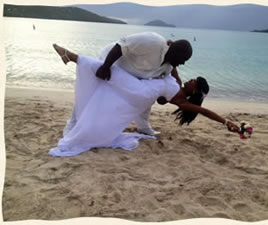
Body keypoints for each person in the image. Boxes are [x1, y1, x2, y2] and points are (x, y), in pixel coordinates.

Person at [49, 44, 239, 157]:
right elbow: (170, 61)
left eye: (194, 83)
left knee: (113, 74)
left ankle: (71, 55)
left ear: (194, 91)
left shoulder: (182, 102)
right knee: (111, 75)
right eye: (193, 79)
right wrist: (169, 45)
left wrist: (226, 122)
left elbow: (204, 112)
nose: (190, 81)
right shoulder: (177, 82)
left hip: (141, 92)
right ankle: (70, 56)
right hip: (141, 91)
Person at [63, 32, 192, 136]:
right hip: (113, 61)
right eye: (184, 59)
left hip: (132, 74)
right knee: (94, 90)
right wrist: (106, 66)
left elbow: (158, 97)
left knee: (145, 98)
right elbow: (121, 44)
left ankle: (144, 127)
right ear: (176, 52)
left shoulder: (167, 68)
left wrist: (170, 96)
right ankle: (73, 124)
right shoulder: (153, 42)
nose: (183, 63)